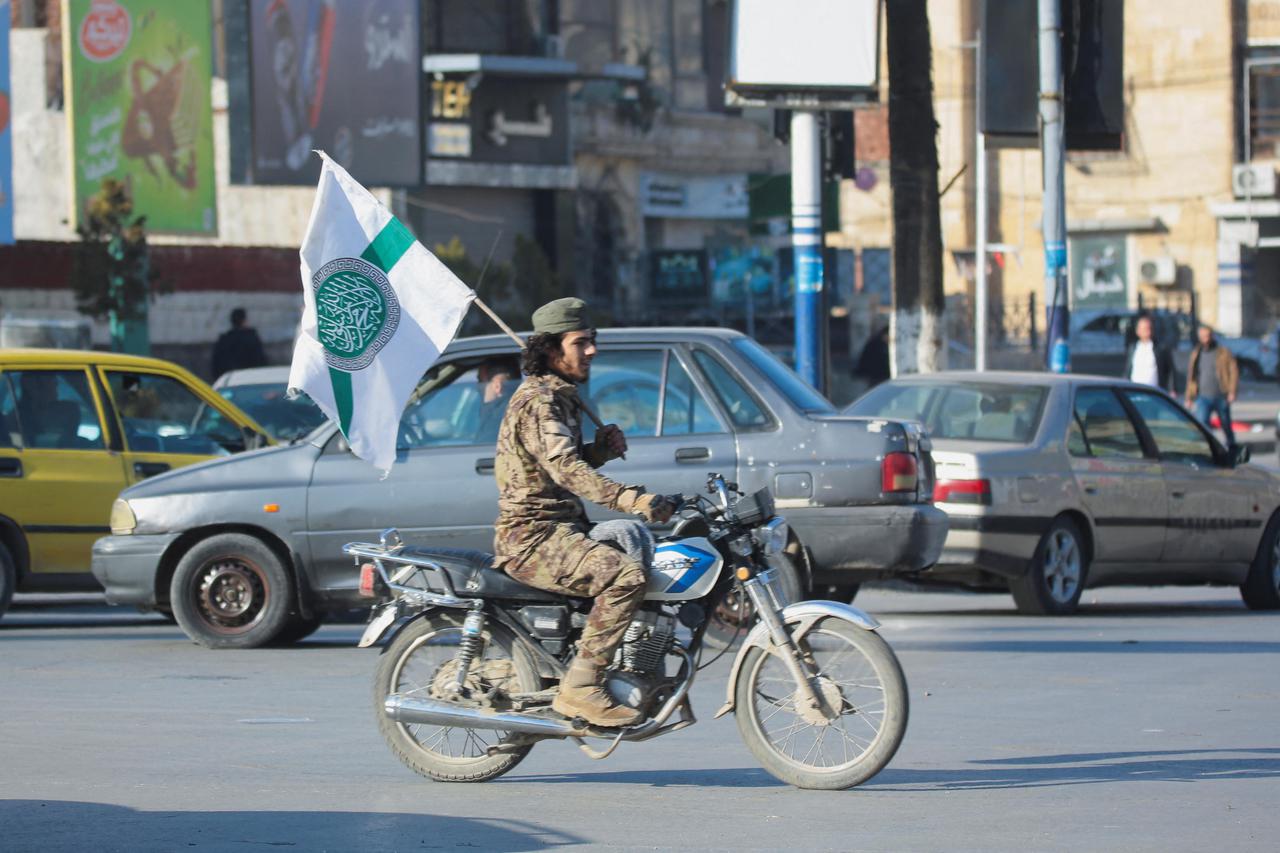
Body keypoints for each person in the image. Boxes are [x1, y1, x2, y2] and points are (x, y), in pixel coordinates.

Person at [493, 297, 674, 728]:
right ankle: (581, 686)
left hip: (562, 528)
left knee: (640, 553)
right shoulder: (540, 401)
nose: (592, 350)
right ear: (551, 349)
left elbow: (554, 467)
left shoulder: (561, 397)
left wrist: (599, 451)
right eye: (580, 343)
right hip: (533, 537)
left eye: (592, 340)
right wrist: (633, 499)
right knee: (626, 577)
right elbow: (565, 470)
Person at [1185, 324, 1239, 450]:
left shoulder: (1223, 352)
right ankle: (1210, 448)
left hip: (1220, 394)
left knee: (1225, 424)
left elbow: (1234, 371)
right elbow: (1192, 377)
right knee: (1202, 424)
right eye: (1203, 336)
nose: (1206, 339)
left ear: (1212, 336)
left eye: (1208, 336)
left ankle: (1232, 447)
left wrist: (1232, 391)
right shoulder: (1196, 353)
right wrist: (1189, 397)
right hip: (1202, 396)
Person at [211, 307, 267, 381]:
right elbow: (260, 361)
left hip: (231, 379)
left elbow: (216, 364)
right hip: (251, 378)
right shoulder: (251, 338)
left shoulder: (224, 340)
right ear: (244, 320)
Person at [1123, 314, 1175, 392]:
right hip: (1135, 392)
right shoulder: (1133, 348)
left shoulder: (1160, 348)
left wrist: (1173, 389)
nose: (1148, 331)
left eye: (1149, 328)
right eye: (1145, 328)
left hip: (1154, 392)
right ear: (1138, 331)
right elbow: (1128, 370)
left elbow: (1170, 370)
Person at [474, 358, 518, 444]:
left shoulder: (496, 420)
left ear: (497, 386)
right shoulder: (517, 409)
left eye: (480, 381)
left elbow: (482, 444)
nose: (477, 388)